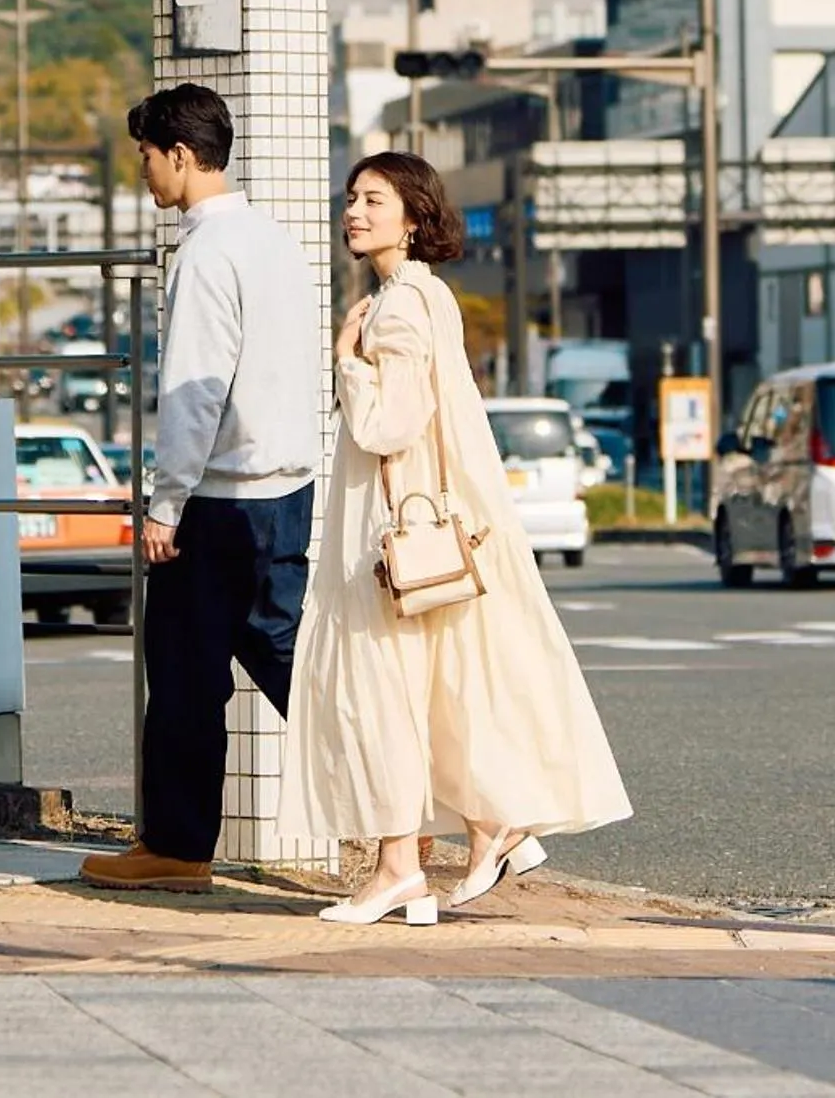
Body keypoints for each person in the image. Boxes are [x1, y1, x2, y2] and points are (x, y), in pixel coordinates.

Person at [283, 152, 628, 925]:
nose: (354, 212)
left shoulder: (398, 306)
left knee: (379, 694)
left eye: (374, 200)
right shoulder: (428, 296)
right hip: (427, 527)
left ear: (414, 216)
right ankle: (483, 828)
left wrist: (346, 362)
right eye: (351, 199)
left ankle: (407, 867)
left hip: (392, 532)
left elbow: (388, 424)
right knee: (432, 693)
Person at [83, 84, 322, 892]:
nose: (145, 174)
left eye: (147, 157)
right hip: (286, 487)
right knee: (293, 660)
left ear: (180, 156)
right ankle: (411, 808)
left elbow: (194, 391)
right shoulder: (278, 243)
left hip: (219, 498)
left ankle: (178, 848)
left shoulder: (205, 255)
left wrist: (164, 503)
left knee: (185, 675)